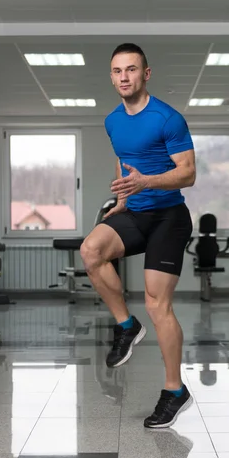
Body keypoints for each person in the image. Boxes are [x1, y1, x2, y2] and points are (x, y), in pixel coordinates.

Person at [80, 43, 196, 428]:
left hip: (169, 217)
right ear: (111, 76)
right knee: (91, 250)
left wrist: (147, 181)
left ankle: (174, 390)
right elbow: (123, 161)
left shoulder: (168, 118)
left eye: (131, 70)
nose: (124, 77)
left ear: (146, 74)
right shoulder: (113, 120)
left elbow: (188, 173)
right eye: (117, 71)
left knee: (156, 303)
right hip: (137, 212)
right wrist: (123, 198)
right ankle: (126, 326)